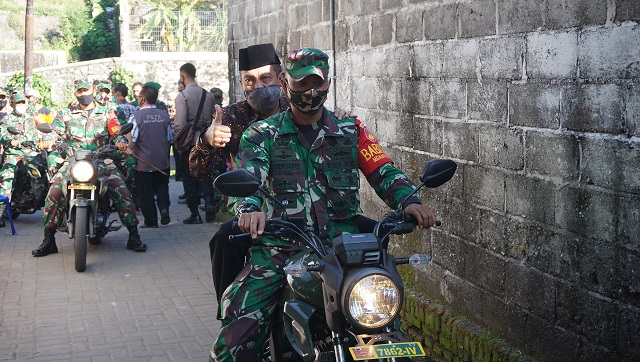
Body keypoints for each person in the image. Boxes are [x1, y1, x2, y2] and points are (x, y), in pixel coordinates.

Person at [210, 48, 437, 360]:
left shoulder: (351, 131)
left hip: (343, 252)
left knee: (383, 317)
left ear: (329, 83)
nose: (310, 92)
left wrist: (409, 200)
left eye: (316, 83)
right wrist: (249, 209)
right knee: (234, 344)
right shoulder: (262, 134)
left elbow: (383, 170)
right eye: (301, 84)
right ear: (284, 83)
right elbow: (250, 177)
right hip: (281, 252)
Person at [31, 78, 146, 257]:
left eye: (86, 90)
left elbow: (116, 131)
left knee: (122, 192)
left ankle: (133, 235)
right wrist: (49, 140)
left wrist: (121, 142)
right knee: (53, 193)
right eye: (80, 91)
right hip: (72, 162)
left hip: (102, 160)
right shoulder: (65, 113)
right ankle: (49, 239)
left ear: (92, 89)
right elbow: (55, 132)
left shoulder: (107, 112)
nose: (84, 94)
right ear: (75, 93)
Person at [173, 63, 217, 224]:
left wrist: (177, 140)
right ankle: (209, 202)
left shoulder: (182, 96)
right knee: (205, 173)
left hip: (190, 143)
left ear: (182, 77)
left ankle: (194, 213)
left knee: (189, 178)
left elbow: (179, 123)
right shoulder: (208, 95)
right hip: (206, 141)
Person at [0, 89, 50, 228]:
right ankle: (1, 211)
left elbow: (42, 128)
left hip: (32, 152)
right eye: (18, 102)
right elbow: (2, 134)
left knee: (50, 168)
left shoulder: (31, 117)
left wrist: (48, 138)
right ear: (14, 104)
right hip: (14, 154)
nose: (21, 104)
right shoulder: (7, 119)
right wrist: (11, 141)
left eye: (23, 102)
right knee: (7, 177)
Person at [125, 84, 171, 228]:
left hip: (143, 162)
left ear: (143, 99)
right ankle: (164, 210)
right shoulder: (164, 115)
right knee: (162, 187)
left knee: (145, 193)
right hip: (162, 161)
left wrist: (128, 145)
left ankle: (151, 222)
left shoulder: (136, 116)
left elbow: (132, 141)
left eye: (139, 97)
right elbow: (169, 138)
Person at [166, 91, 182, 182]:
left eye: (171, 100)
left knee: (178, 158)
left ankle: (179, 176)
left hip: (177, 138)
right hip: (167, 138)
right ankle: (166, 175)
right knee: (166, 158)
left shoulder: (180, 111)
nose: (169, 102)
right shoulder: (165, 110)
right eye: (168, 100)